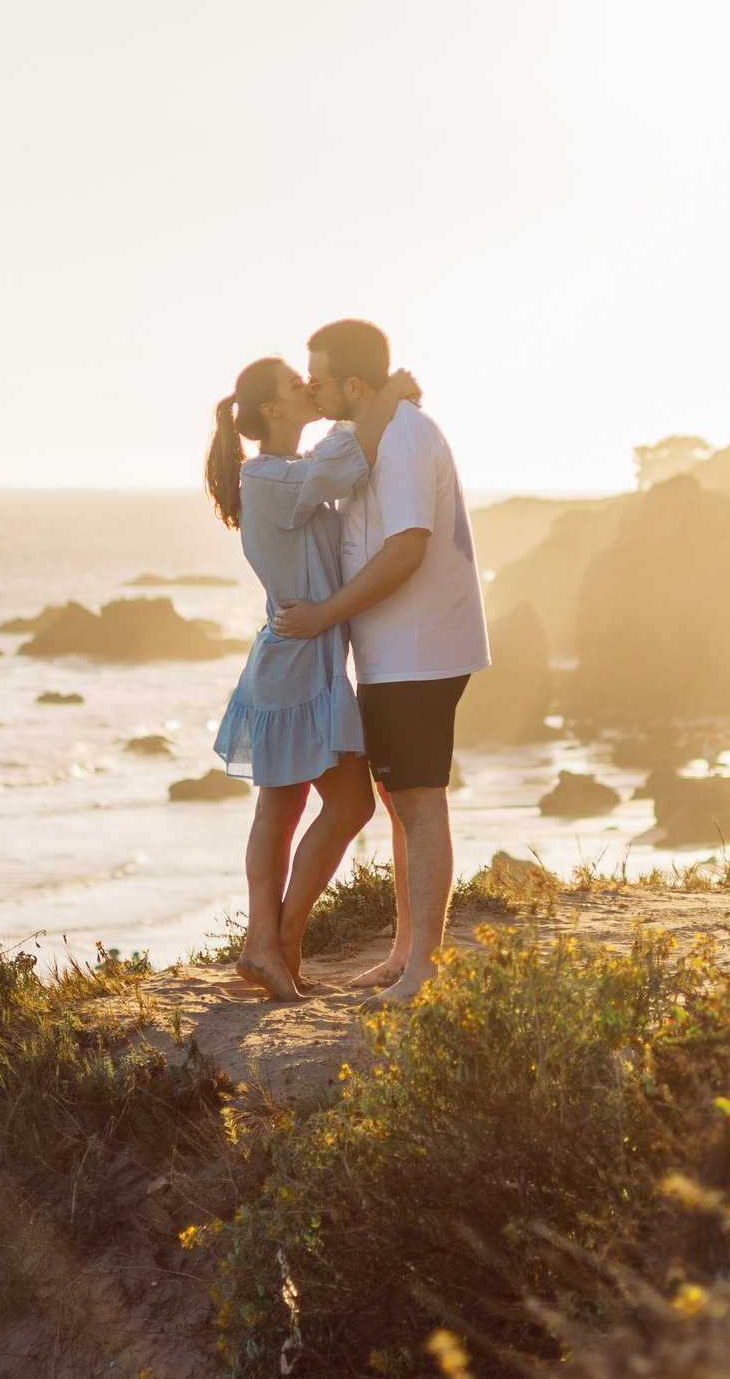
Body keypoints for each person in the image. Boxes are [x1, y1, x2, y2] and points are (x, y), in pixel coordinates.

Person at [272, 319, 489, 1006]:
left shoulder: (401, 442)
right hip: (396, 651)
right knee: (400, 802)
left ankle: (425, 966)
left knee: (420, 802)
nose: (311, 387)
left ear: (354, 384)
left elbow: (406, 550)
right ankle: (405, 952)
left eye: (319, 378)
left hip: (420, 651)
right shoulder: (369, 433)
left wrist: (324, 613)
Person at [204, 354, 418, 1002]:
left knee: (284, 804)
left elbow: (334, 464)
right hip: (296, 663)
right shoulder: (269, 478)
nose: (308, 387)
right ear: (272, 409)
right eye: (297, 386)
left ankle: (266, 946)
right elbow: (346, 452)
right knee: (345, 803)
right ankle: (274, 942)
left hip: (297, 659)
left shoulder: (279, 475)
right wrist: (390, 395)